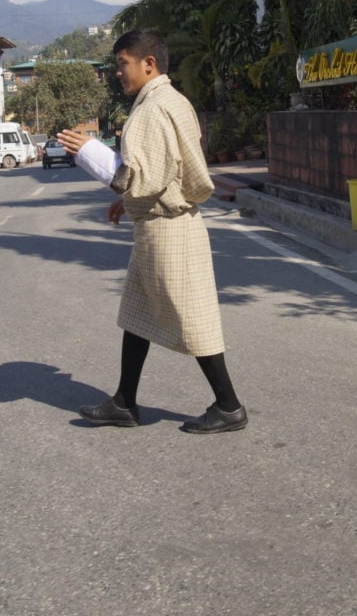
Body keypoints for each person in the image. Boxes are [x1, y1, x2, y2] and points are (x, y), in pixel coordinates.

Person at [56, 27, 247, 434]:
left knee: (192, 317)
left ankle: (229, 405)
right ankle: (124, 402)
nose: (118, 74)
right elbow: (164, 172)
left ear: (149, 63)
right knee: (137, 315)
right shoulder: (171, 101)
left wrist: (87, 151)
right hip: (165, 225)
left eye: (122, 65)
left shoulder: (150, 110)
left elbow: (141, 175)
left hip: (168, 230)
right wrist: (127, 201)